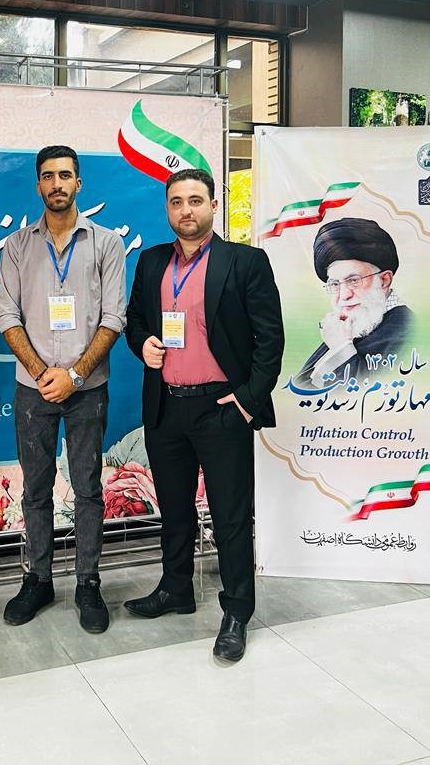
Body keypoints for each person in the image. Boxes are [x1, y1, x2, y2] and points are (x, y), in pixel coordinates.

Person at [124, 168, 283, 662]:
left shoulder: (245, 261)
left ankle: (236, 611)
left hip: (221, 408)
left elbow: (270, 340)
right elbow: (135, 321)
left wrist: (246, 400)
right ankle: (176, 589)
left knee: (230, 516)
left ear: (214, 205)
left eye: (195, 200)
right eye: (176, 202)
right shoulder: (151, 261)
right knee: (174, 509)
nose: (185, 210)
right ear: (167, 209)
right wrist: (142, 343)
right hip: (166, 405)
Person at [0, 145, 126, 634]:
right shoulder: (17, 246)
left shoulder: (107, 243)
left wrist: (73, 375)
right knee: (35, 488)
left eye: (65, 176)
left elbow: (114, 317)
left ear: (79, 183)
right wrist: (42, 373)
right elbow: (7, 316)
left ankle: (88, 582)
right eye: (48, 176)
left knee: (88, 487)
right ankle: (39, 580)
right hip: (33, 389)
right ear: (38, 185)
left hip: (87, 388)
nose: (57, 184)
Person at [295, 217, 414, 385]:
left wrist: (341, 348)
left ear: (384, 280)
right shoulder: (356, 325)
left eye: (353, 280)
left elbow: (364, 393)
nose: (344, 295)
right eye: (335, 284)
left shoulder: (407, 331)